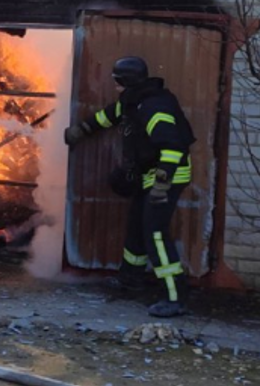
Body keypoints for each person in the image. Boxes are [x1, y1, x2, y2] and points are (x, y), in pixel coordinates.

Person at [64, 56, 196, 318]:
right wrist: (82, 129)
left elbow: (173, 147)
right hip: (148, 175)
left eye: (118, 82)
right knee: (137, 224)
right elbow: (110, 115)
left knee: (155, 232)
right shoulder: (134, 101)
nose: (115, 87)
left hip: (169, 175)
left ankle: (174, 296)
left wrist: (161, 185)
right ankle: (130, 279)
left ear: (127, 81)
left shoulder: (155, 108)